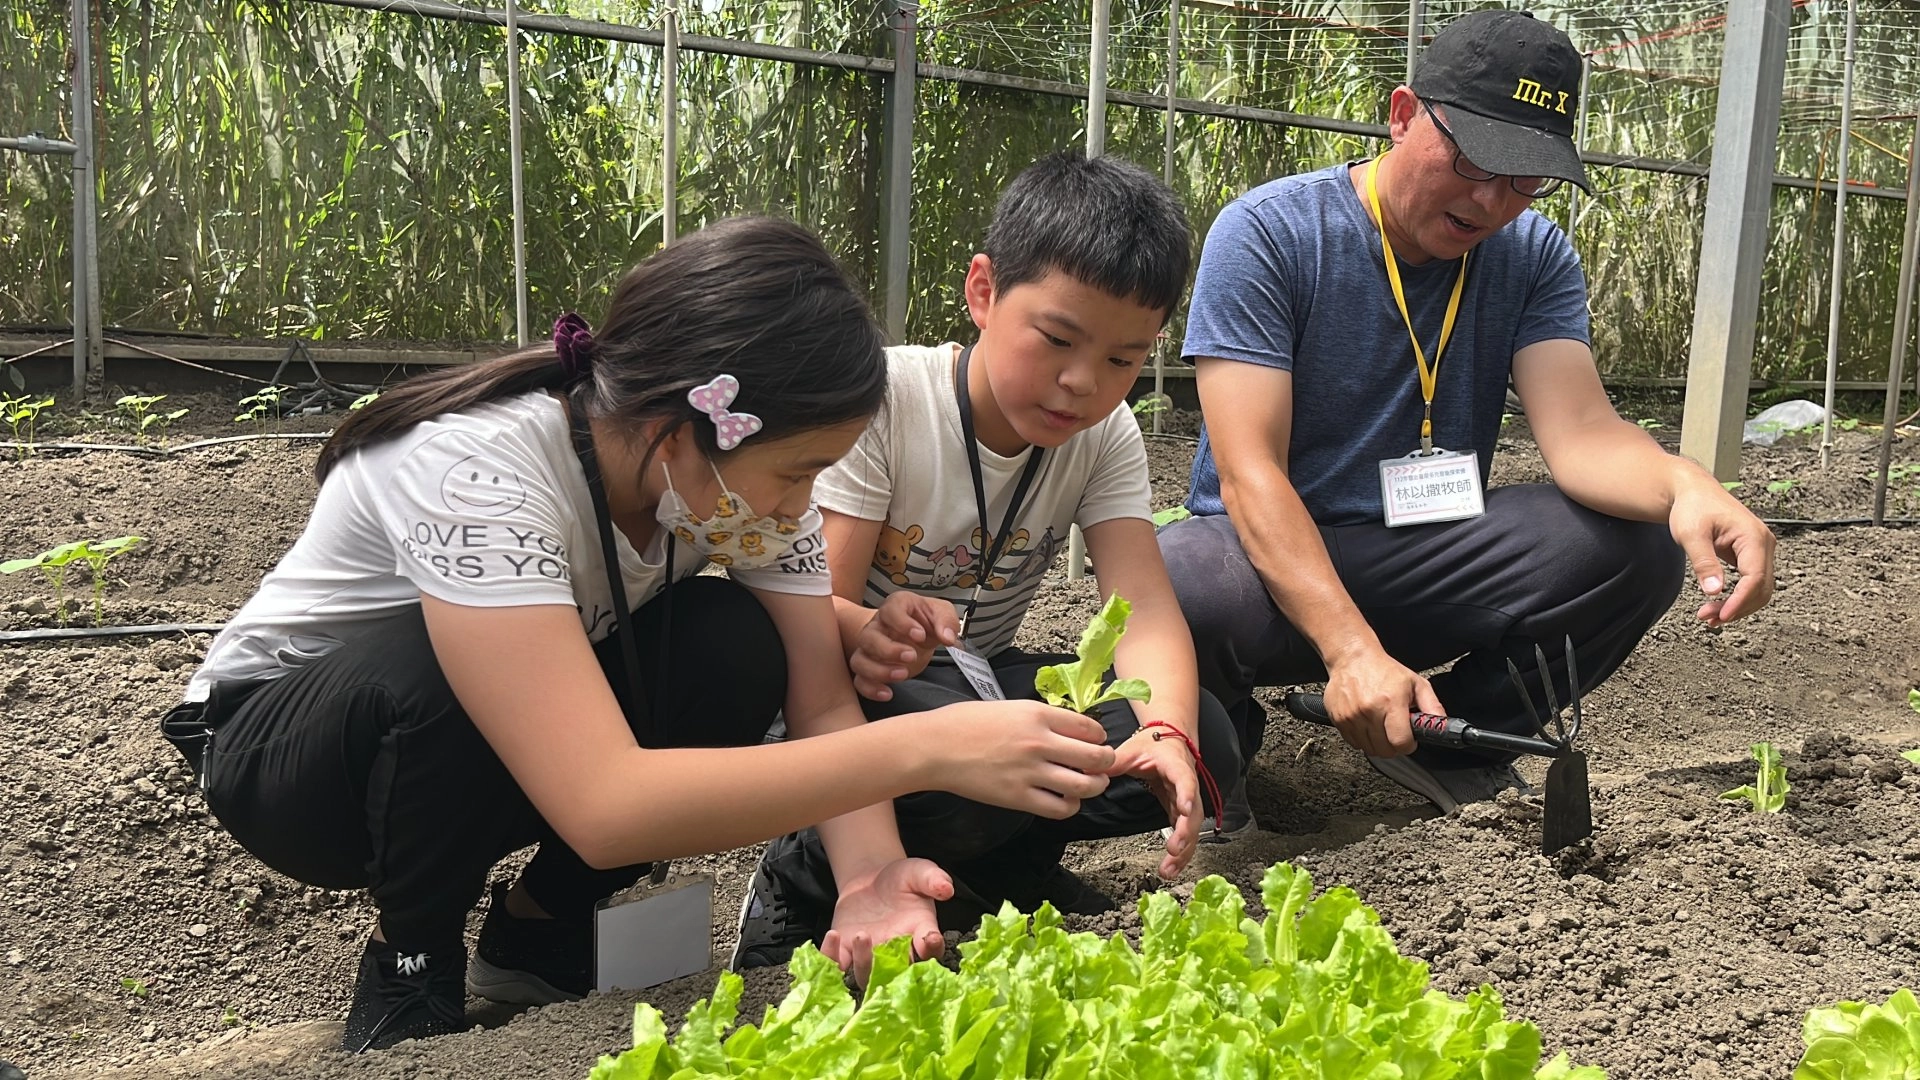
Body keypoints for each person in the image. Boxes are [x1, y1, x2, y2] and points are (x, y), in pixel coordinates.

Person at [160, 217, 1125, 1053]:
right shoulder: (479, 470)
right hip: (290, 767)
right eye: (796, 474)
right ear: (680, 432)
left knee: (736, 640)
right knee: (437, 666)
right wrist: (932, 746)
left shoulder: (730, 492)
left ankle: (538, 934)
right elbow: (605, 802)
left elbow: (822, 697)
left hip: (475, 750)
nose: (801, 508)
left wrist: (869, 881)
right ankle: (411, 970)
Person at [1158, 10, 1776, 813]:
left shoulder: (1533, 255)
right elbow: (1248, 474)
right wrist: (1349, 650)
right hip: (1267, 568)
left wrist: (1687, 484)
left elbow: (1584, 435)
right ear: (1404, 113)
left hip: (1425, 556)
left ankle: (1458, 741)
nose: (1490, 199)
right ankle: (1225, 743)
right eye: (1476, 159)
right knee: (1175, 580)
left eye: (1527, 178)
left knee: (1637, 543)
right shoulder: (1273, 233)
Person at [729, 152, 1243, 973]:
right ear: (982, 292)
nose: (1083, 384)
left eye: (1123, 360)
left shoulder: (1104, 438)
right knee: (969, 749)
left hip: (973, 678)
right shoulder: (889, 401)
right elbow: (808, 606)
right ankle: (804, 878)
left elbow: (1142, 608)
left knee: (1206, 734)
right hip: (845, 698)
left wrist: (1166, 732)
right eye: (1058, 339)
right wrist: (875, 625)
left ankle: (1007, 877)